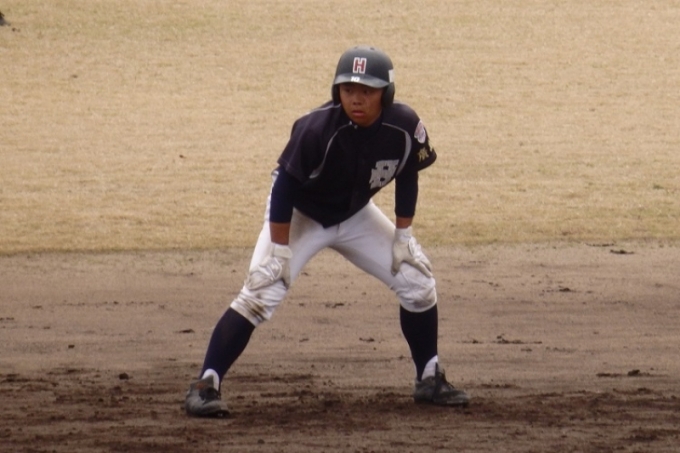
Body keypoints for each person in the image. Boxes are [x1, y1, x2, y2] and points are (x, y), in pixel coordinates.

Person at [184, 45, 470, 417]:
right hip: (300, 214)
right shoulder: (315, 128)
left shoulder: (404, 126)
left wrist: (404, 236)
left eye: (367, 91)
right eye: (348, 89)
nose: (356, 99)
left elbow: (408, 174)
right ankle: (205, 385)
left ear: (386, 93)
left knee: (417, 280)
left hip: (354, 215)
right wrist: (280, 249)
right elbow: (284, 187)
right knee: (261, 292)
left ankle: (429, 378)